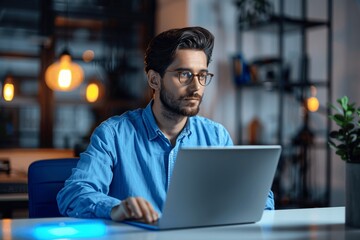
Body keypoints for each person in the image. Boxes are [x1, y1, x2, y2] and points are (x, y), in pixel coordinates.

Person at [57, 26, 274, 223]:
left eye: (202, 75)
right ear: (154, 80)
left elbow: (262, 201)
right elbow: (74, 194)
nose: (196, 87)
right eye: (184, 74)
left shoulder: (216, 136)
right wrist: (116, 208)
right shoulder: (113, 134)